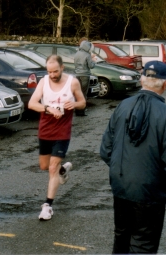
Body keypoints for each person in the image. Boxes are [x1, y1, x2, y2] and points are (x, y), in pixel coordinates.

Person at [100, 60, 166, 253]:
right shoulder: (164, 113)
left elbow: (106, 150)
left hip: (121, 186)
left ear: (142, 80)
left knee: (121, 239)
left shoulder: (123, 106)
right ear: (164, 83)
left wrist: (121, 171)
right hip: (149, 191)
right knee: (143, 243)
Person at [28, 55, 86, 220]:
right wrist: (48, 109)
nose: (52, 75)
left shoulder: (72, 82)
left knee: (52, 168)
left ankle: (47, 206)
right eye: (49, 71)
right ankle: (63, 170)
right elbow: (32, 104)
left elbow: (82, 102)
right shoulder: (44, 81)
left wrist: (74, 104)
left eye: (55, 71)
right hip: (46, 129)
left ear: (62, 68)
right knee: (44, 166)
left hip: (63, 130)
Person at [74, 40, 96, 116]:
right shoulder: (87, 55)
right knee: (83, 93)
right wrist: (94, 61)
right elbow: (91, 66)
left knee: (77, 93)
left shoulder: (77, 53)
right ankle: (81, 111)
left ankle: (77, 110)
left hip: (77, 74)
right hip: (85, 75)